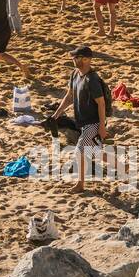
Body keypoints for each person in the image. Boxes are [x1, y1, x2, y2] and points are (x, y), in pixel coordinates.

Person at [49, 45, 108, 192]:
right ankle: (124, 167)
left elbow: (101, 103)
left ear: (87, 59)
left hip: (93, 123)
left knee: (79, 152)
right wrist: (56, 115)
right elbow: (69, 96)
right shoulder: (75, 74)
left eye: (76, 57)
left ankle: (80, 185)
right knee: (95, 152)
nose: (73, 59)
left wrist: (102, 127)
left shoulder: (92, 80)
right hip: (83, 122)